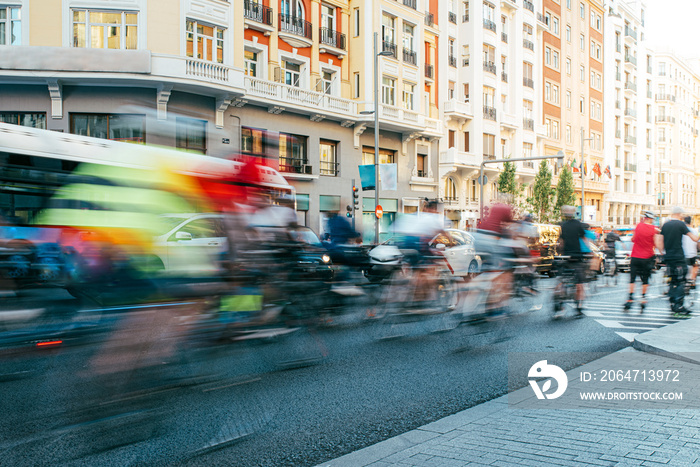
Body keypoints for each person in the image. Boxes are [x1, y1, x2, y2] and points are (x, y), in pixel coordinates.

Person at [657, 206, 700, 316]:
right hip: (679, 257)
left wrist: (663, 253)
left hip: (669, 257)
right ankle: (679, 305)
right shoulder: (681, 224)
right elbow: (694, 239)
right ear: (679, 214)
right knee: (681, 280)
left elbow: (659, 240)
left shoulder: (665, 225)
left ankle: (672, 303)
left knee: (672, 280)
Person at [625, 211, 660, 312]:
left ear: (644, 218)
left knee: (632, 278)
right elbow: (656, 244)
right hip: (647, 258)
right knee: (645, 280)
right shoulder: (654, 230)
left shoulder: (638, 226)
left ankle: (630, 298)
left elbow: (633, 239)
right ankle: (643, 299)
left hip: (635, 256)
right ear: (651, 219)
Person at [556, 205, 587, 317]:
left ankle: (559, 304)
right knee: (579, 284)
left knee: (562, 281)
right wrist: (590, 252)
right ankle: (579, 308)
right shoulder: (578, 224)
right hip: (577, 257)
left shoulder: (562, 225)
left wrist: (559, 252)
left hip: (566, 257)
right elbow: (584, 238)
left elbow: (561, 241)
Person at [682, 216, 699, 288]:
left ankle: (685, 281)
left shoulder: (681, 231)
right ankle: (692, 280)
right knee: (695, 266)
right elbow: (698, 242)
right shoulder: (695, 231)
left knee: (683, 267)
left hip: (683, 253)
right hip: (693, 253)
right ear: (691, 222)